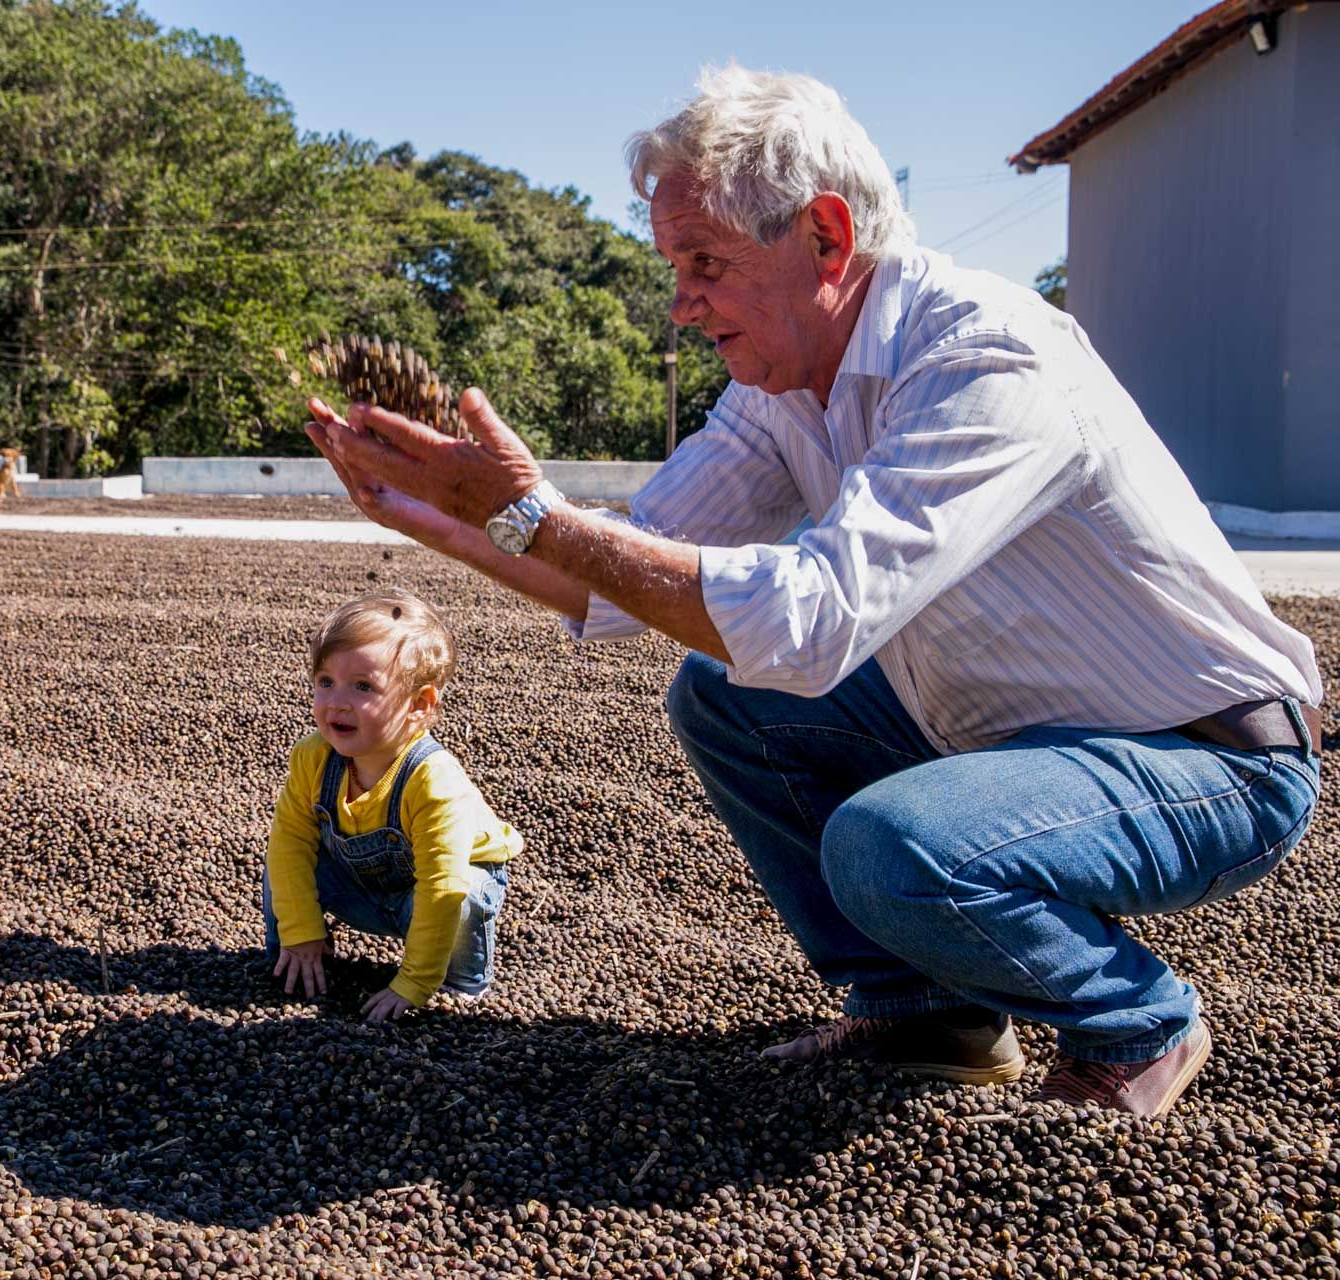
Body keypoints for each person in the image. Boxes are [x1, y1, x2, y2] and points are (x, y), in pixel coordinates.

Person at [302, 66, 1321, 1115]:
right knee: (725, 693)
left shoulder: (983, 357)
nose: (682, 304)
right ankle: (926, 1012)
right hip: (1016, 738)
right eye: (676, 266)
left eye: (704, 263)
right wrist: (434, 515)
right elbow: (626, 564)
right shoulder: (782, 391)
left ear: (826, 238)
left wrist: (530, 511)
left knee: (888, 844)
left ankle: (1136, 1019)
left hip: (1204, 753)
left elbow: (811, 619)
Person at [264, 589, 521, 1023]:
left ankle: (459, 984)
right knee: (283, 867)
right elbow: (290, 843)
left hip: (429, 896)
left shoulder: (432, 778)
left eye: (363, 686)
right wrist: (300, 929)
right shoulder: (312, 757)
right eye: (325, 681)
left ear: (419, 706)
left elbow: (441, 887)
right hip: (362, 883)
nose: (337, 702)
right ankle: (300, 957)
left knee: (465, 896)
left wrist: (413, 983)